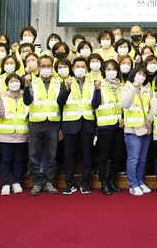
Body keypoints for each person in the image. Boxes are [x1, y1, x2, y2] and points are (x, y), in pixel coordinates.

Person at [23, 55, 62, 196]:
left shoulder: (58, 83)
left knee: (52, 154)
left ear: (52, 68)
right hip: (36, 123)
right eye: (43, 66)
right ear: (38, 68)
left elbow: (62, 105)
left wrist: (61, 126)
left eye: (49, 66)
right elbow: (27, 101)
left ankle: (48, 181)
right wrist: (26, 86)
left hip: (53, 123)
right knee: (33, 154)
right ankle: (36, 183)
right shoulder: (32, 82)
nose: (46, 68)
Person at [57, 57, 96, 195]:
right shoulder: (66, 83)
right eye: (77, 66)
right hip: (70, 124)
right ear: (73, 69)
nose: (80, 69)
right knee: (69, 156)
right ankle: (70, 184)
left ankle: (85, 184)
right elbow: (60, 103)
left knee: (87, 155)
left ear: (87, 69)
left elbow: (96, 105)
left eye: (83, 66)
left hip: (87, 123)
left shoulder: (92, 83)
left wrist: (96, 125)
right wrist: (66, 89)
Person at [91, 59, 125, 195]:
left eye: (114, 69)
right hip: (105, 126)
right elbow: (94, 104)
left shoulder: (120, 86)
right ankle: (103, 182)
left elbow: (123, 105)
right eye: (108, 69)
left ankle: (112, 180)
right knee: (103, 156)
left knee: (117, 156)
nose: (111, 72)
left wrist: (123, 117)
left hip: (119, 126)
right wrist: (97, 90)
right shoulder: (100, 84)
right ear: (104, 71)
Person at [120, 66, 154, 196]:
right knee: (133, 158)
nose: (142, 76)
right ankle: (132, 184)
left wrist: (150, 119)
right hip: (132, 129)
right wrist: (134, 89)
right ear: (133, 74)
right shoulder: (126, 88)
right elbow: (125, 104)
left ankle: (140, 181)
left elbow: (151, 107)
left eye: (144, 75)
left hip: (146, 128)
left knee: (142, 158)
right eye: (139, 73)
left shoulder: (147, 89)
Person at [0, 73, 28, 196]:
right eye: (11, 80)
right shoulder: (2, 96)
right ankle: (5, 184)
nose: (14, 82)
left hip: (21, 133)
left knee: (19, 160)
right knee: (5, 160)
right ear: (7, 84)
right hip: (5, 134)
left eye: (16, 80)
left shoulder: (26, 96)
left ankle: (17, 182)